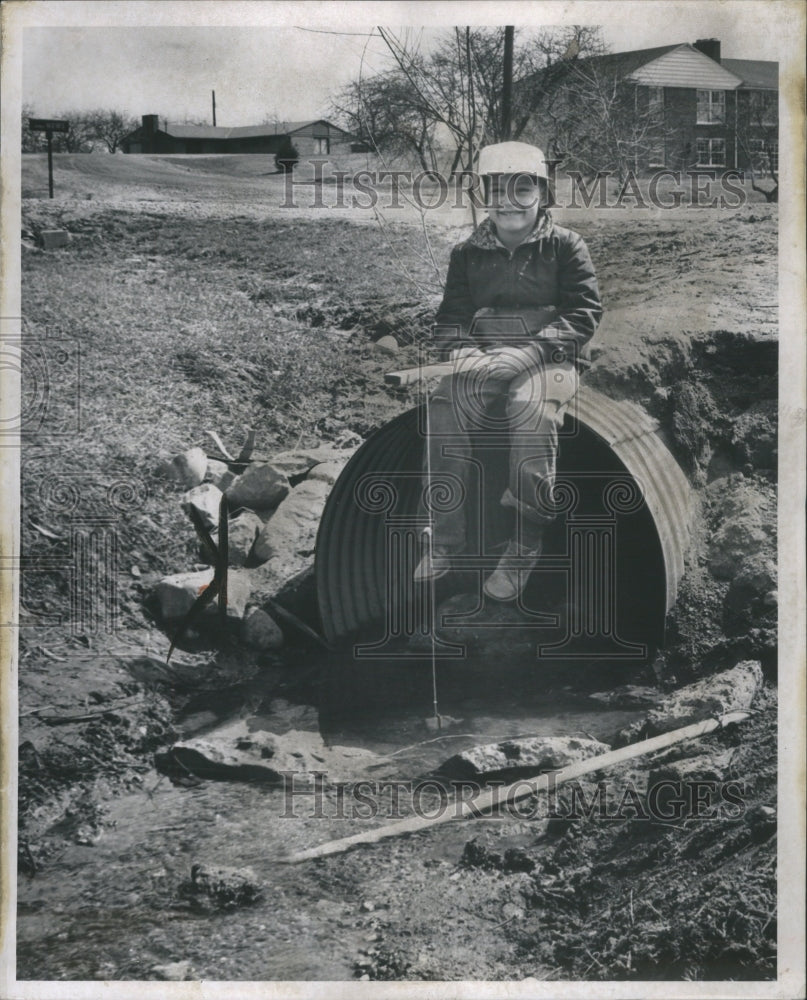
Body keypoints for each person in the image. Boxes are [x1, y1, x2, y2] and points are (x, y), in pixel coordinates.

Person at [414, 141, 602, 601]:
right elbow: (450, 318)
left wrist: (529, 353)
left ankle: (524, 543)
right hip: (483, 357)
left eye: (522, 189)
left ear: (541, 193)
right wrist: (462, 354)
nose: (508, 202)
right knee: (444, 407)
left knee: (532, 414)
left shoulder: (566, 247)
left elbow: (583, 314)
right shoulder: (467, 254)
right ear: (483, 196)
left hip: (549, 358)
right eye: (496, 189)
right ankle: (444, 538)